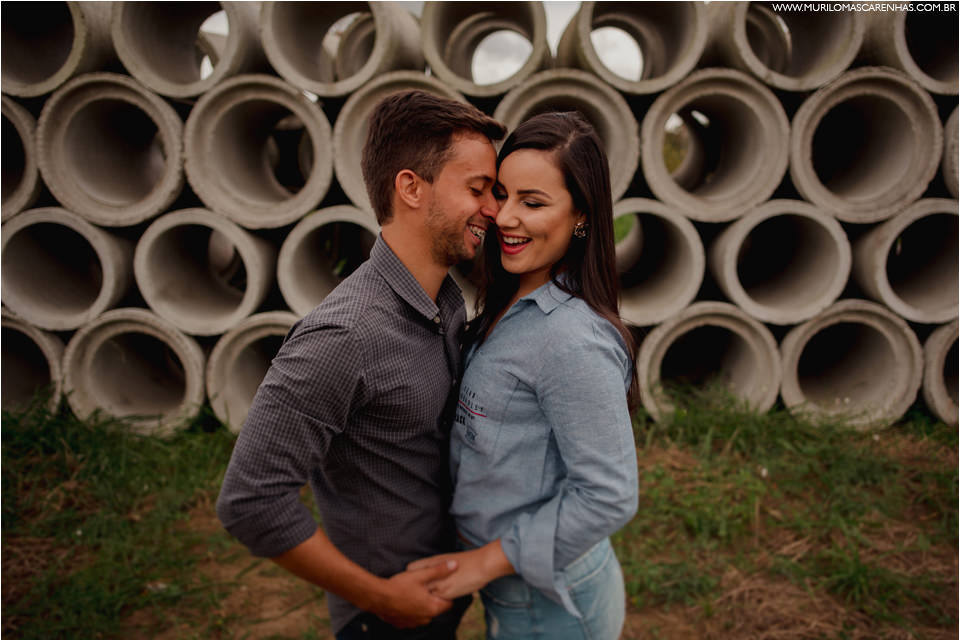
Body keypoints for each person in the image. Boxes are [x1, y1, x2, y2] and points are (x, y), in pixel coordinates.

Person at [216, 90, 506, 639]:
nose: (493, 208)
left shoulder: (444, 300)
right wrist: (381, 598)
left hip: (439, 595)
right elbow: (251, 500)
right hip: (386, 619)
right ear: (410, 187)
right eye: (477, 189)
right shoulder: (343, 337)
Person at [407, 111, 640, 639]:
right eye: (501, 194)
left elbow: (610, 494)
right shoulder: (513, 297)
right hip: (519, 593)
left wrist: (485, 561)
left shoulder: (571, 341)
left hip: (548, 603)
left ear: (581, 215)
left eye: (532, 203)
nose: (504, 217)